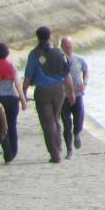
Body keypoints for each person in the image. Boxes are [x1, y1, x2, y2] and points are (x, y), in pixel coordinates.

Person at [23, 26, 74, 164]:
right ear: (50, 36)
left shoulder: (34, 54)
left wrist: (23, 93)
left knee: (47, 123)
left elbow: (28, 76)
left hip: (42, 90)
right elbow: (66, 73)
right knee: (56, 120)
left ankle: (55, 153)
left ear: (38, 37)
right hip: (59, 89)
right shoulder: (58, 52)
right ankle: (58, 148)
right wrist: (72, 91)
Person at [0, 43, 27, 164]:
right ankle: (13, 150)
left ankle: (7, 152)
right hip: (12, 99)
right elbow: (18, 85)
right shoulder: (11, 67)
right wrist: (23, 101)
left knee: (1, 127)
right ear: (7, 53)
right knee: (12, 125)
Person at [60, 36, 89, 159]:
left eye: (70, 47)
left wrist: (84, 83)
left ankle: (77, 133)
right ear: (62, 47)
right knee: (66, 124)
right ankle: (69, 151)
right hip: (63, 97)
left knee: (79, 120)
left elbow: (86, 71)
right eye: (66, 47)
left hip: (77, 95)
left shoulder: (79, 59)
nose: (68, 49)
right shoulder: (59, 60)